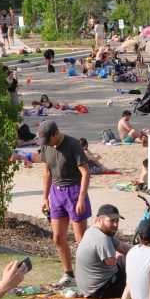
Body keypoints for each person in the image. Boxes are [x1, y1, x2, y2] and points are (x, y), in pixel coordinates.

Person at [38, 120, 92, 287]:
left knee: (80, 239)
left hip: (74, 191)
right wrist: (45, 197)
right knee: (58, 237)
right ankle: (68, 274)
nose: (46, 144)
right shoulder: (46, 146)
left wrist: (81, 198)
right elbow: (47, 172)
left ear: (56, 133)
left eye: (48, 139)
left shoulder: (73, 144)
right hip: (56, 192)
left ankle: (87, 276)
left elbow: (86, 172)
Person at [75, 204, 130, 299]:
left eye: (117, 221)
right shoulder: (102, 238)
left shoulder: (94, 230)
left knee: (126, 258)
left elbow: (124, 248)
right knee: (139, 277)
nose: (115, 225)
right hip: (99, 290)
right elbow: (111, 262)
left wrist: (143, 252)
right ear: (99, 220)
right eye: (111, 221)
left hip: (90, 288)